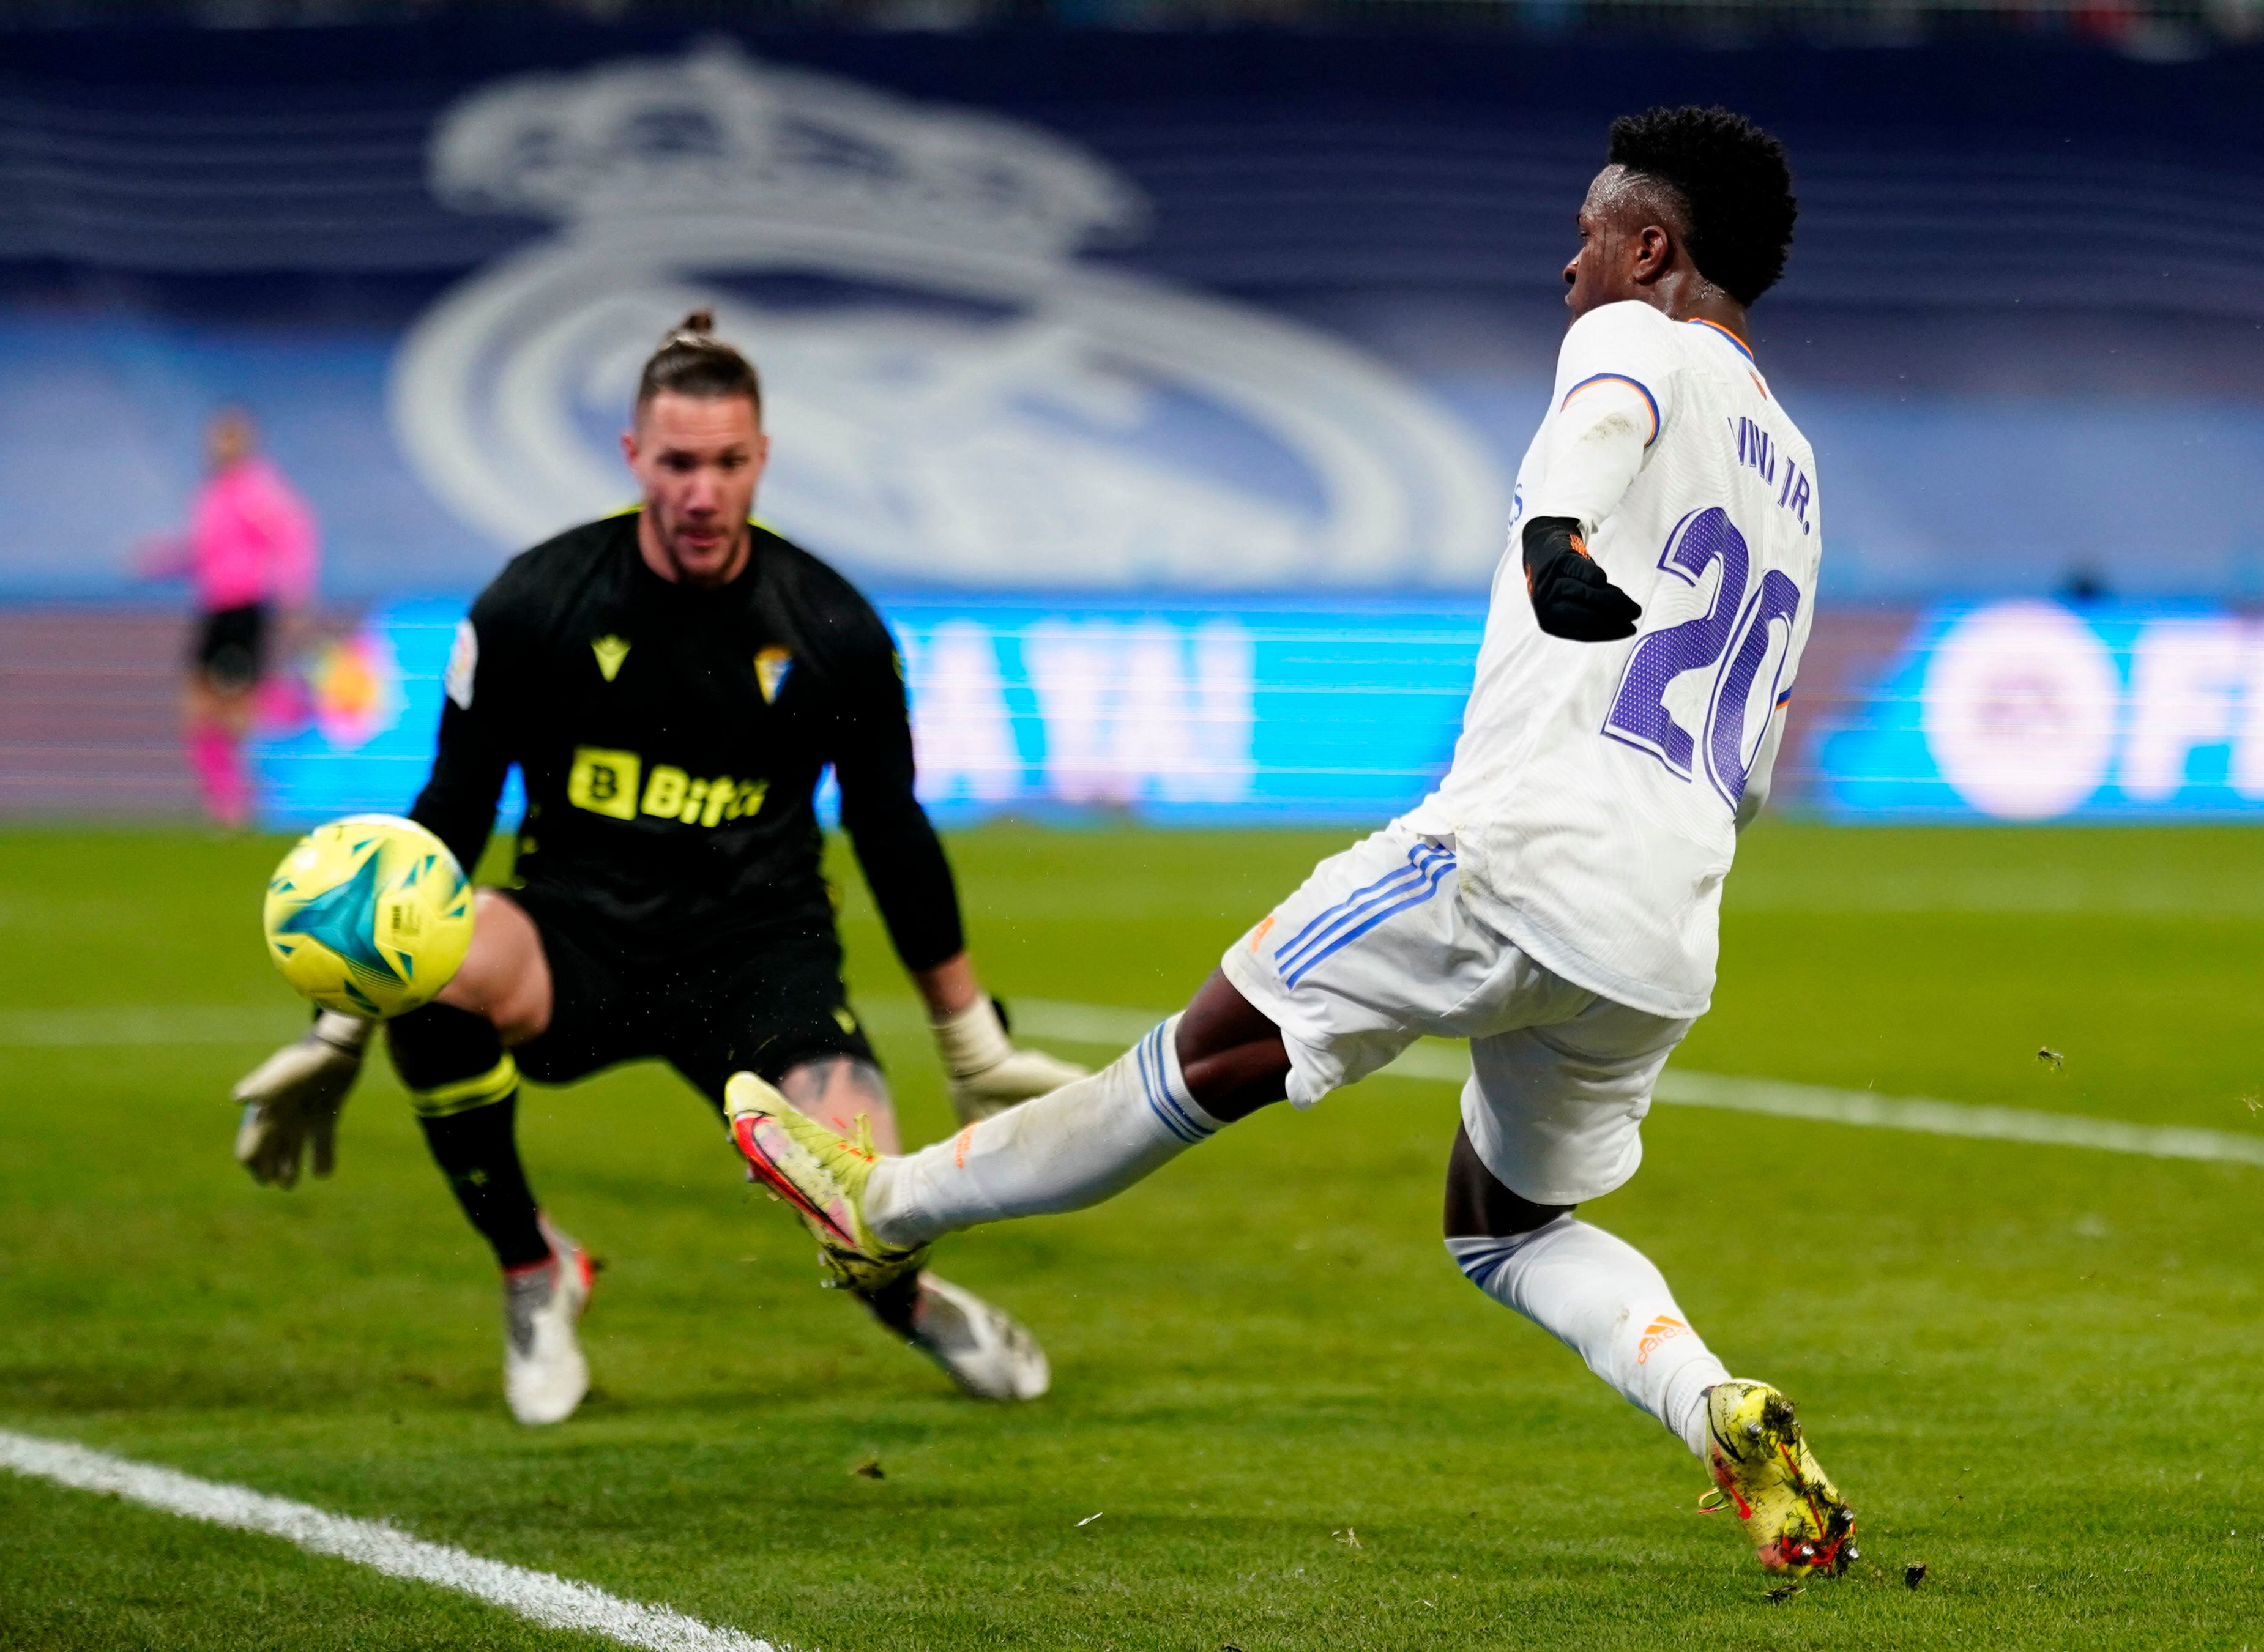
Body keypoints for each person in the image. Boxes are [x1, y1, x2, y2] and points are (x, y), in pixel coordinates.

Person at [723, 108, 1858, 1579]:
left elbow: (1599, 423)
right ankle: (1708, 1396)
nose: (1565, 260)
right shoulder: (1801, 475)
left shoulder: (1637, 340)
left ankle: (882, 1204)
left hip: (1507, 852)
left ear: (1653, 248)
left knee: (1184, 1067)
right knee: (1502, 1225)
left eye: (1589, 230)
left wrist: (1550, 542)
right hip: (1660, 921)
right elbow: (1756, 764)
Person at [228, 310, 1085, 1424]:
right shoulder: (536, 603)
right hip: (572, 938)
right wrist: (340, 1025)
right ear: (634, 458)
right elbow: (449, 813)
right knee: (434, 976)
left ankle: (908, 1303)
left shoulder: (831, 626)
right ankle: (534, 1273)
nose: (702, 492)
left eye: (728, 464)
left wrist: (971, 1038)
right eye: (678, 463)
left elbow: (891, 829)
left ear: (761, 460)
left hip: (757, 953)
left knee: (870, 1201)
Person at [134, 408, 318, 827]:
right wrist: (162, 561)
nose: (221, 445)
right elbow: (205, 551)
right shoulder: (214, 492)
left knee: (228, 710)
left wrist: (292, 596)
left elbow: (293, 537)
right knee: (202, 709)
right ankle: (228, 799)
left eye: (230, 437)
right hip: (216, 608)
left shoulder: (256, 489)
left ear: (245, 441)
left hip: (242, 608)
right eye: (217, 437)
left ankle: (287, 717)